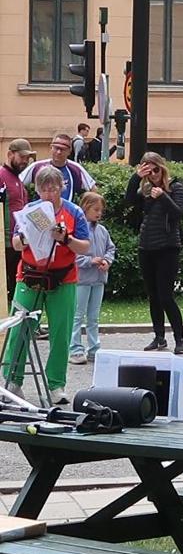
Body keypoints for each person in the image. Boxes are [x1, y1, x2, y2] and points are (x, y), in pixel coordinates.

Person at [3, 167, 90, 404]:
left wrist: (66, 239)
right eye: (44, 189)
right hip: (30, 276)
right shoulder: (30, 211)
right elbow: (15, 243)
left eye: (53, 188)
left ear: (61, 187)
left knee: (60, 333)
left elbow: (85, 246)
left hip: (63, 278)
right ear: (37, 189)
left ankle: (56, 385)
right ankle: (12, 380)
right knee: (19, 329)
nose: (49, 194)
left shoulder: (74, 212)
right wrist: (23, 238)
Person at [125, 152, 183, 354]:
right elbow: (128, 201)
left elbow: (178, 213)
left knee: (165, 296)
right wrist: (136, 177)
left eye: (156, 169)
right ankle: (159, 337)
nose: (152, 174)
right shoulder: (146, 191)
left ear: (163, 168)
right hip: (147, 247)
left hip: (168, 248)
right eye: (148, 170)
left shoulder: (176, 187)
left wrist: (162, 196)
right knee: (153, 295)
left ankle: (180, 339)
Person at [69, 192, 115, 365]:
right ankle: (75, 349)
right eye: (96, 209)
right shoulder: (78, 231)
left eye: (101, 210)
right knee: (77, 315)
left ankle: (94, 349)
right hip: (82, 279)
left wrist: (107, 261)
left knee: (94, 317)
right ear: (85, 208)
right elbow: (73, 254)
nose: (98, 213)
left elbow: (111, 248)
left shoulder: (102, 230)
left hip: (98, 279)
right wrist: (89, 260)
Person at [1, 139, 36, 302]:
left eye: (27, 158)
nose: (25, 161)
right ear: (10, 154)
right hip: (5, 244)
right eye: (22, 157)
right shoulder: (2, 177)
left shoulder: (18, 180)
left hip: (19, 242)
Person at [19, 133, 97, 203]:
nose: (59, 152)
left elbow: (93, 190)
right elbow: (18, 183)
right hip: (42, 215)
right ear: (51, 148)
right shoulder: (37, 167)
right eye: (56, 148)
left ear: (69, 151)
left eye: (62, 149)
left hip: (66, 215)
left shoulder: (76, 169)